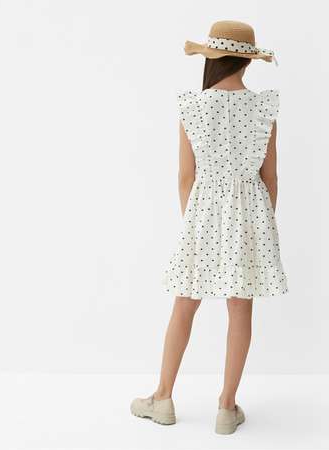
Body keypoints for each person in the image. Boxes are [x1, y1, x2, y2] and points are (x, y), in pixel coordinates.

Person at [131, 20, 289, 435]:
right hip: (251, 215)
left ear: (212, 59)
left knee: (184, 304)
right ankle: (226, 406)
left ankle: (162, 397)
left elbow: (186, 177)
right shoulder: (263, 108)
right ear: (247, 61)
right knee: (240, 307)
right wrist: (261, 223)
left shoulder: (193, 106)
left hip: (201, 214)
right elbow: (270, 177)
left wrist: (195, 222)